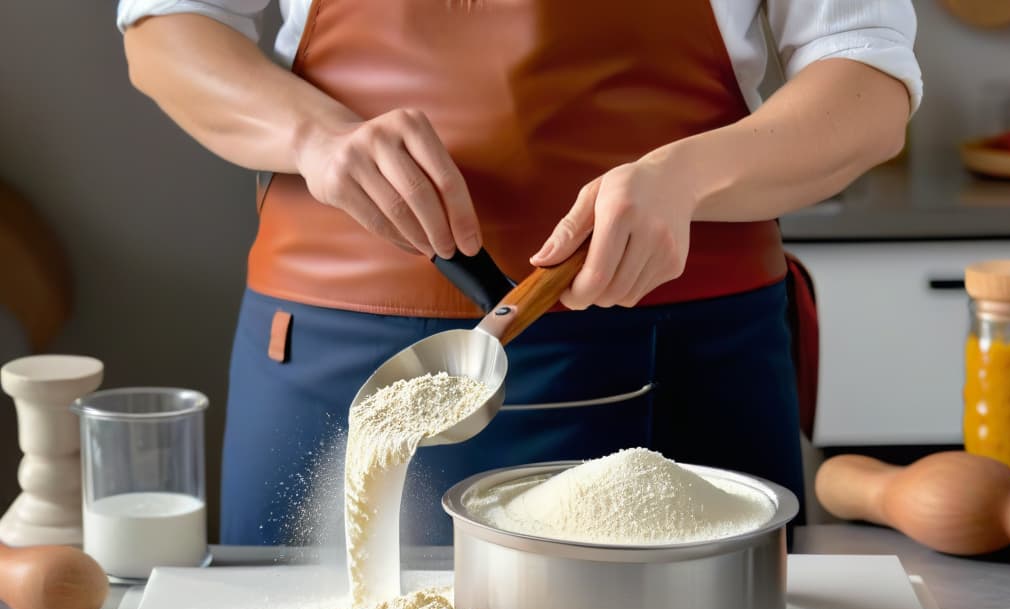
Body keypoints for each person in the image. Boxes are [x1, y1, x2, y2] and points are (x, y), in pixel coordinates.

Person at [116, 0, 921, 546]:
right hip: (325, 351)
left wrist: (691, 177)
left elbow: (867, 77)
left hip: (678, 355)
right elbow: (167, 23)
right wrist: (312, 136)